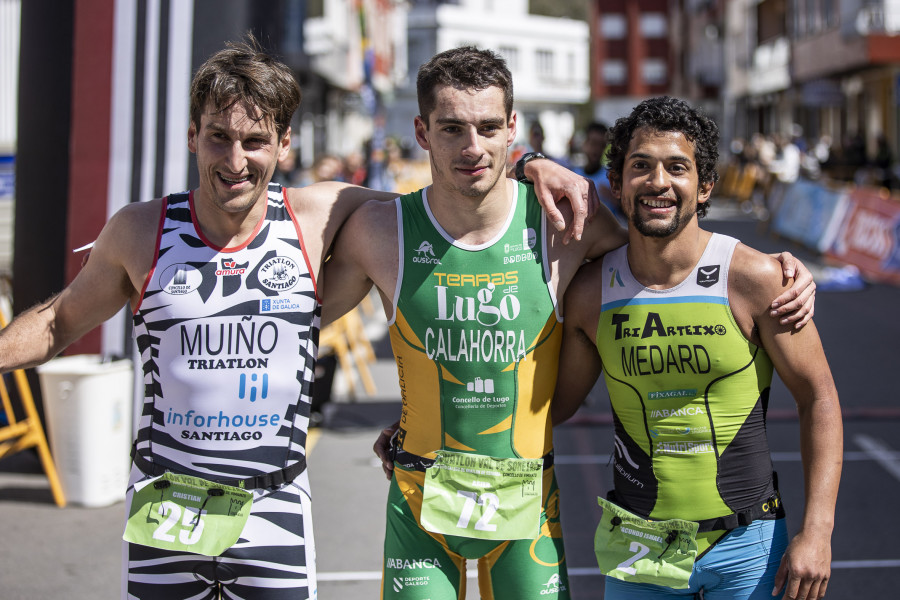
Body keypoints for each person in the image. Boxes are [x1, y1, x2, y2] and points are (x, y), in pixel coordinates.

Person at [0, 38, 598, 599]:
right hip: (167, 502)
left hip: (271, 508)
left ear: (284, 144)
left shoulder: (323, 213)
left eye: (255, 141)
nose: (235, 160)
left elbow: (457, 195)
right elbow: (58, 323)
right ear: (192, 136)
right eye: (217, 138)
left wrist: (530, 166)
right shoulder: (140, 229)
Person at [323, 47, 817, 600]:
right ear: (421, 130)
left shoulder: (567, 226)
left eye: (489, 127)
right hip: (422, 494)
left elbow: (671, 248)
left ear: (511, 127)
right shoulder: (380, 231)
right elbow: (297, 308)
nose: (471, 146)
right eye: (451, 128)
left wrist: (776, 270)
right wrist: (428, 416)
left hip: (531, 500)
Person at [553, 96, 842, 600]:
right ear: (616, 184)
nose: (658, 181)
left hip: (747, 546)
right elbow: (553, 407)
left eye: (677, 167)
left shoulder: (757, 278)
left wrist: (817, 533)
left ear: (704, 185)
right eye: (640, 166)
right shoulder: (589, 293)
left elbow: (819, 397)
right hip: (638, 545)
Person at [572, 121, 622, 221]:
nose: (597, 149)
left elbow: (626, 212)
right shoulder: (572, 175)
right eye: (593, 143)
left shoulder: (612, 178)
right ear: (584, 143)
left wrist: (614, 200)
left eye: (602, 145)